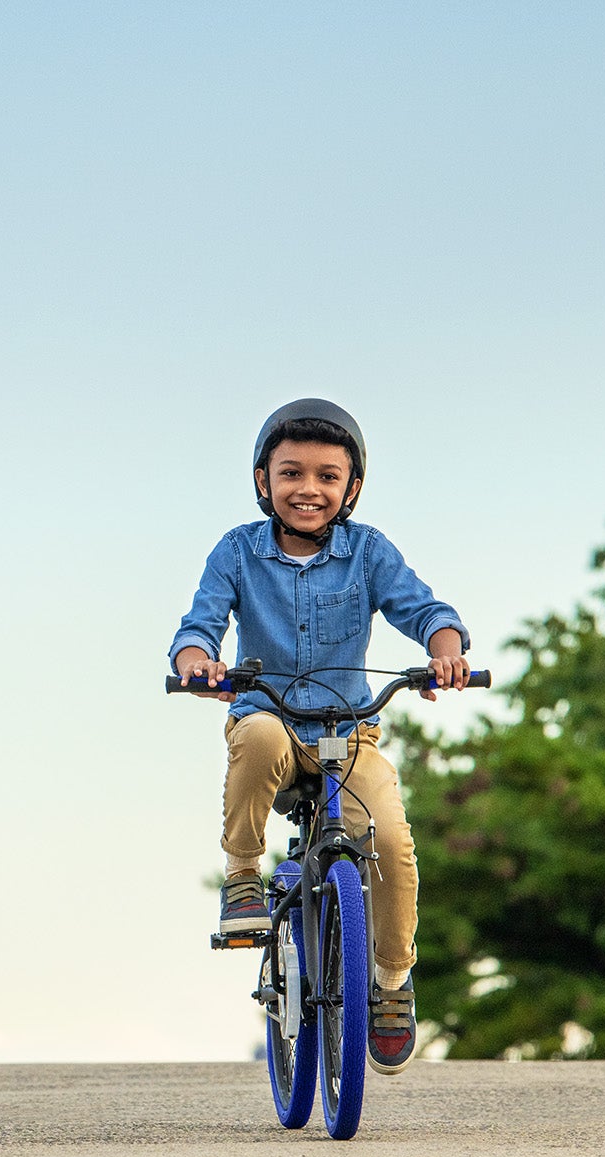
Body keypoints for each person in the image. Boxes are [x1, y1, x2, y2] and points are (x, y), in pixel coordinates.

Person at [168, 398, 471, 1074]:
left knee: (390, 841)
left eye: (328, 477)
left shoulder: (368, 552)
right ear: (262, 481)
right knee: (261, 735)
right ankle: (245, 875)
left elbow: (426, 611)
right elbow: (199, 626)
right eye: (292, 473)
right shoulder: (238, 551)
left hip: (349, 735)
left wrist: (445, 651)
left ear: (351, 489)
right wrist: (197, 666)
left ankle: (391, 982)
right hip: (270, 717)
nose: (309, 489)